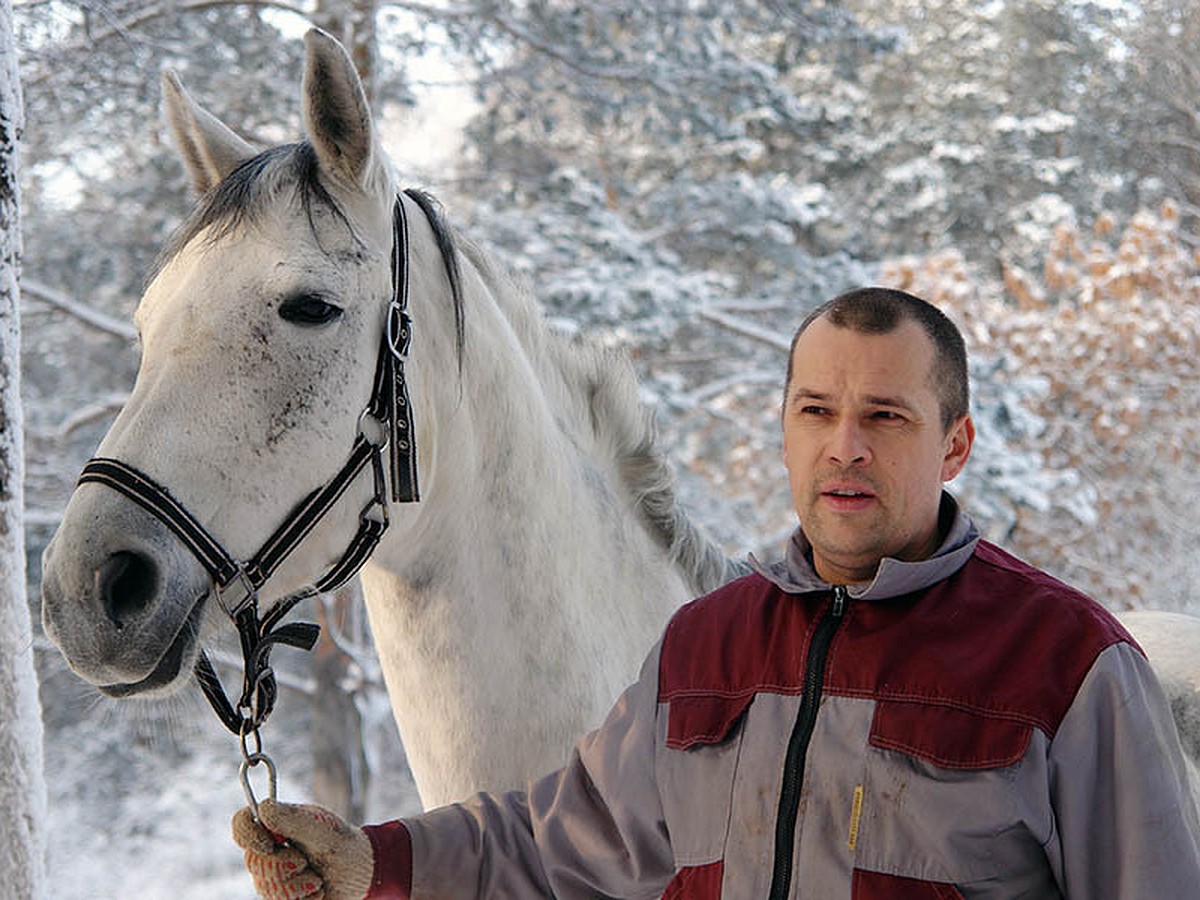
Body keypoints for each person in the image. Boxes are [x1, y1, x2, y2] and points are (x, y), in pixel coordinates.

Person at [233, 287, 1200, 898]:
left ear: (955, 444)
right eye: (814, 411)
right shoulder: (706, 648)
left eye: (886, 416)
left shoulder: (1068, 664)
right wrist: (375, 861)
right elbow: (556, 846)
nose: (843, 445)